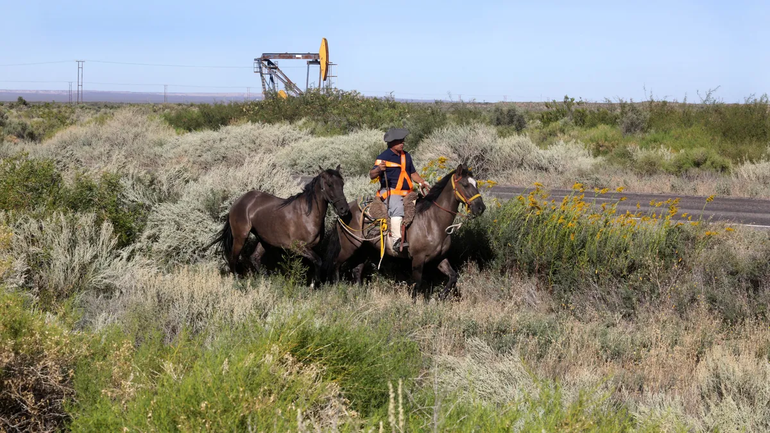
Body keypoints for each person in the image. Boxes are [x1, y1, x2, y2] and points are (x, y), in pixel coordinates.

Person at [369, 128, 430, 250]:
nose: (403, 143)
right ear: (391, 143)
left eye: (403, 140)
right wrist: (378, 170)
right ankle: (396, 240)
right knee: (397, 207)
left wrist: (422, 182)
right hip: (390, 192)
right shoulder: (383, 157)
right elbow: (372, 175)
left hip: (408, 193)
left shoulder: (406, 156)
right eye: (399, 141)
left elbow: (412, 173)